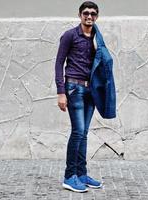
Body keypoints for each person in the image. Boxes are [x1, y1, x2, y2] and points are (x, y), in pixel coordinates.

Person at [55, 1, 116, 193]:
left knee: (84, 134)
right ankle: (69, 176)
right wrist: (61, 92)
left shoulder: (97, 38)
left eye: (93, 14)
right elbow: (58, 64)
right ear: (80, 15)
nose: (89, 17)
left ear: (97, 17)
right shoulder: (70, 35)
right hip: (74, 88)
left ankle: (81, 174)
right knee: (78, 132)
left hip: (91, 91)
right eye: (86, 13)